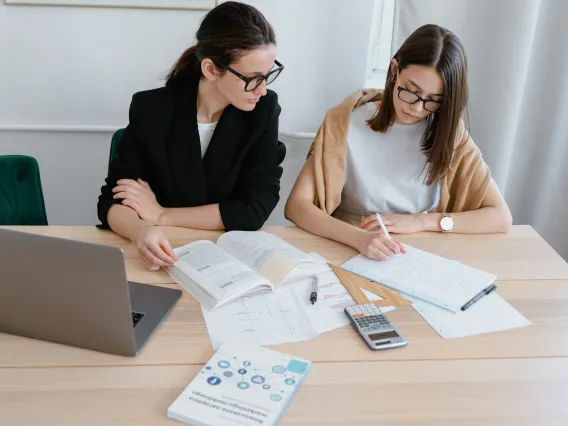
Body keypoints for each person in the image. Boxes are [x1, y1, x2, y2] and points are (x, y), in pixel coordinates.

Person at [285, 24, 512, 261]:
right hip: (349, 245)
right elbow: (297, 206)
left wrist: (421, 221)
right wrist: (358, 239)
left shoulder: (450, 133)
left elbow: (501, 217)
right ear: (394, 69)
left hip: (420, 250)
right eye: (411, 91)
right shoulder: (345, 121)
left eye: (433, 100)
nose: (417, 108)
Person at [97, 1, 285, 271]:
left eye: (268, 75)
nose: (263, 90)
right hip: (167, 253)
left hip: (229, 259)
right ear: (211, 69)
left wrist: (162, 215)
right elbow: (113, 200)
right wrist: (142, 232)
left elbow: (255, 208)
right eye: (254, 78)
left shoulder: (263, 110)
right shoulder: (152, 109)